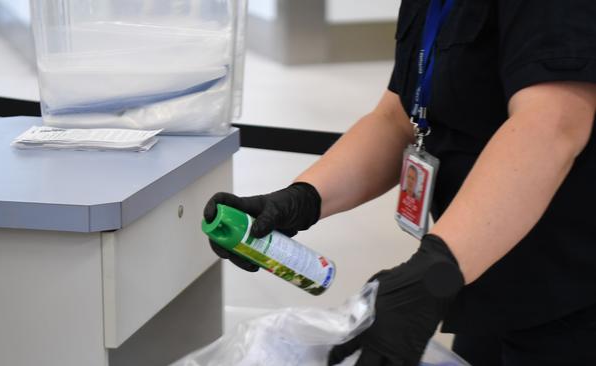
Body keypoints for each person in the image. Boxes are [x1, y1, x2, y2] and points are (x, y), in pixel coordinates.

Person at [203, 0, 596, 364]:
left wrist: (436, 270)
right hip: (488, 276)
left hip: (571, 291)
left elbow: (552, 124)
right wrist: (303, 198)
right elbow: (397, 119)